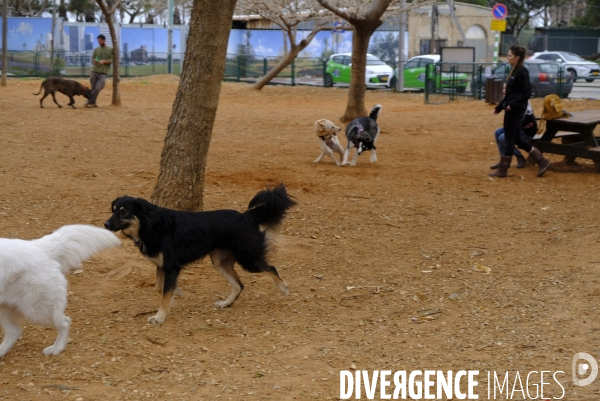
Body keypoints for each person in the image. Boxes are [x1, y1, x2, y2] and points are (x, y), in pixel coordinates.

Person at [490, 45, 551, 178]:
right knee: (516, 138)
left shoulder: (521, 71)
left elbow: (527, 92)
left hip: (515, 111)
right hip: (512, 109)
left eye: (510, 56)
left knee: (510, 138)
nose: (508, 58)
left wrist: (512, 104)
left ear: (517, 58)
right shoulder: (515, 71)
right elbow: (510, 93)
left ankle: (503, 169)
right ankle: (542, 160)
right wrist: (499, 107)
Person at [490, 100, 537, 170]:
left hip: (527, 131)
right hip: (516, 127)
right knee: (497, 132)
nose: (503, 90)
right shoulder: (509, 98)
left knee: (503, 137)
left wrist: (518, 125)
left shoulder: (521, 100)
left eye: (505, 89)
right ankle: (503, 161)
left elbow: (528, 118)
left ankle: (519, 156)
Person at [86, 34, 112, 108]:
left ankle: (89, 101)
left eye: (100, 41)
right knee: (93, 88)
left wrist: (103, 61)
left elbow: (111, 60)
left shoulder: (110, 50)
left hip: (103, 72)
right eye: (98, 41)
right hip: (94, 70)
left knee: (97, 88)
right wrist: (94, 60)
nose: (99, 42)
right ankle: (92, 102)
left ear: (104, 40)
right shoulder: (96, 49)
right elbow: (93, 58)